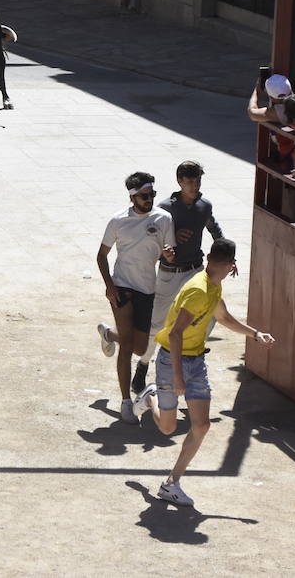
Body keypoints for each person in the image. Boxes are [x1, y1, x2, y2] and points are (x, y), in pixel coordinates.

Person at [138, 237, 275, 506]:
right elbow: (175, 335)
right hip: (171, 361)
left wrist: (255, 334)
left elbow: (223, 318)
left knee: (201, 425)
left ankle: (171, 483)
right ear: (225, 264)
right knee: (168, 428)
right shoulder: (198, 290)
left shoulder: (214, 285)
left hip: (197, 361)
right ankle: (149, 398)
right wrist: (178, 377)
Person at [134, 161, 224, 394]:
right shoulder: (165, 208)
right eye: (190, 182)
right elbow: (150, 236)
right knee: (156, 324)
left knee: (211, 316)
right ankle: (143, 364)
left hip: (195, 271)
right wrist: (170, 238)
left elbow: (214, 229)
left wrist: (226, 257)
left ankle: (191, 351)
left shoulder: (204, 206)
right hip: (169, 273)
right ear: (179, 182)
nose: (195, 186)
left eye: (198, 181)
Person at [95, 172, 175, 424]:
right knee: (128, 348)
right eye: (144, 196)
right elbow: (101, 255)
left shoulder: (164, 219)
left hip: (147, 289)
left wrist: (169, 256)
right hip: (122, 287)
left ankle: (109, 335)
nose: (149, 199)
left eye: (151, 195)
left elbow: (168, 253)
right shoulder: (118, 221)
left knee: (139, 347)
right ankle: (126, 402)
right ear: (132, 197)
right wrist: (110, 287)